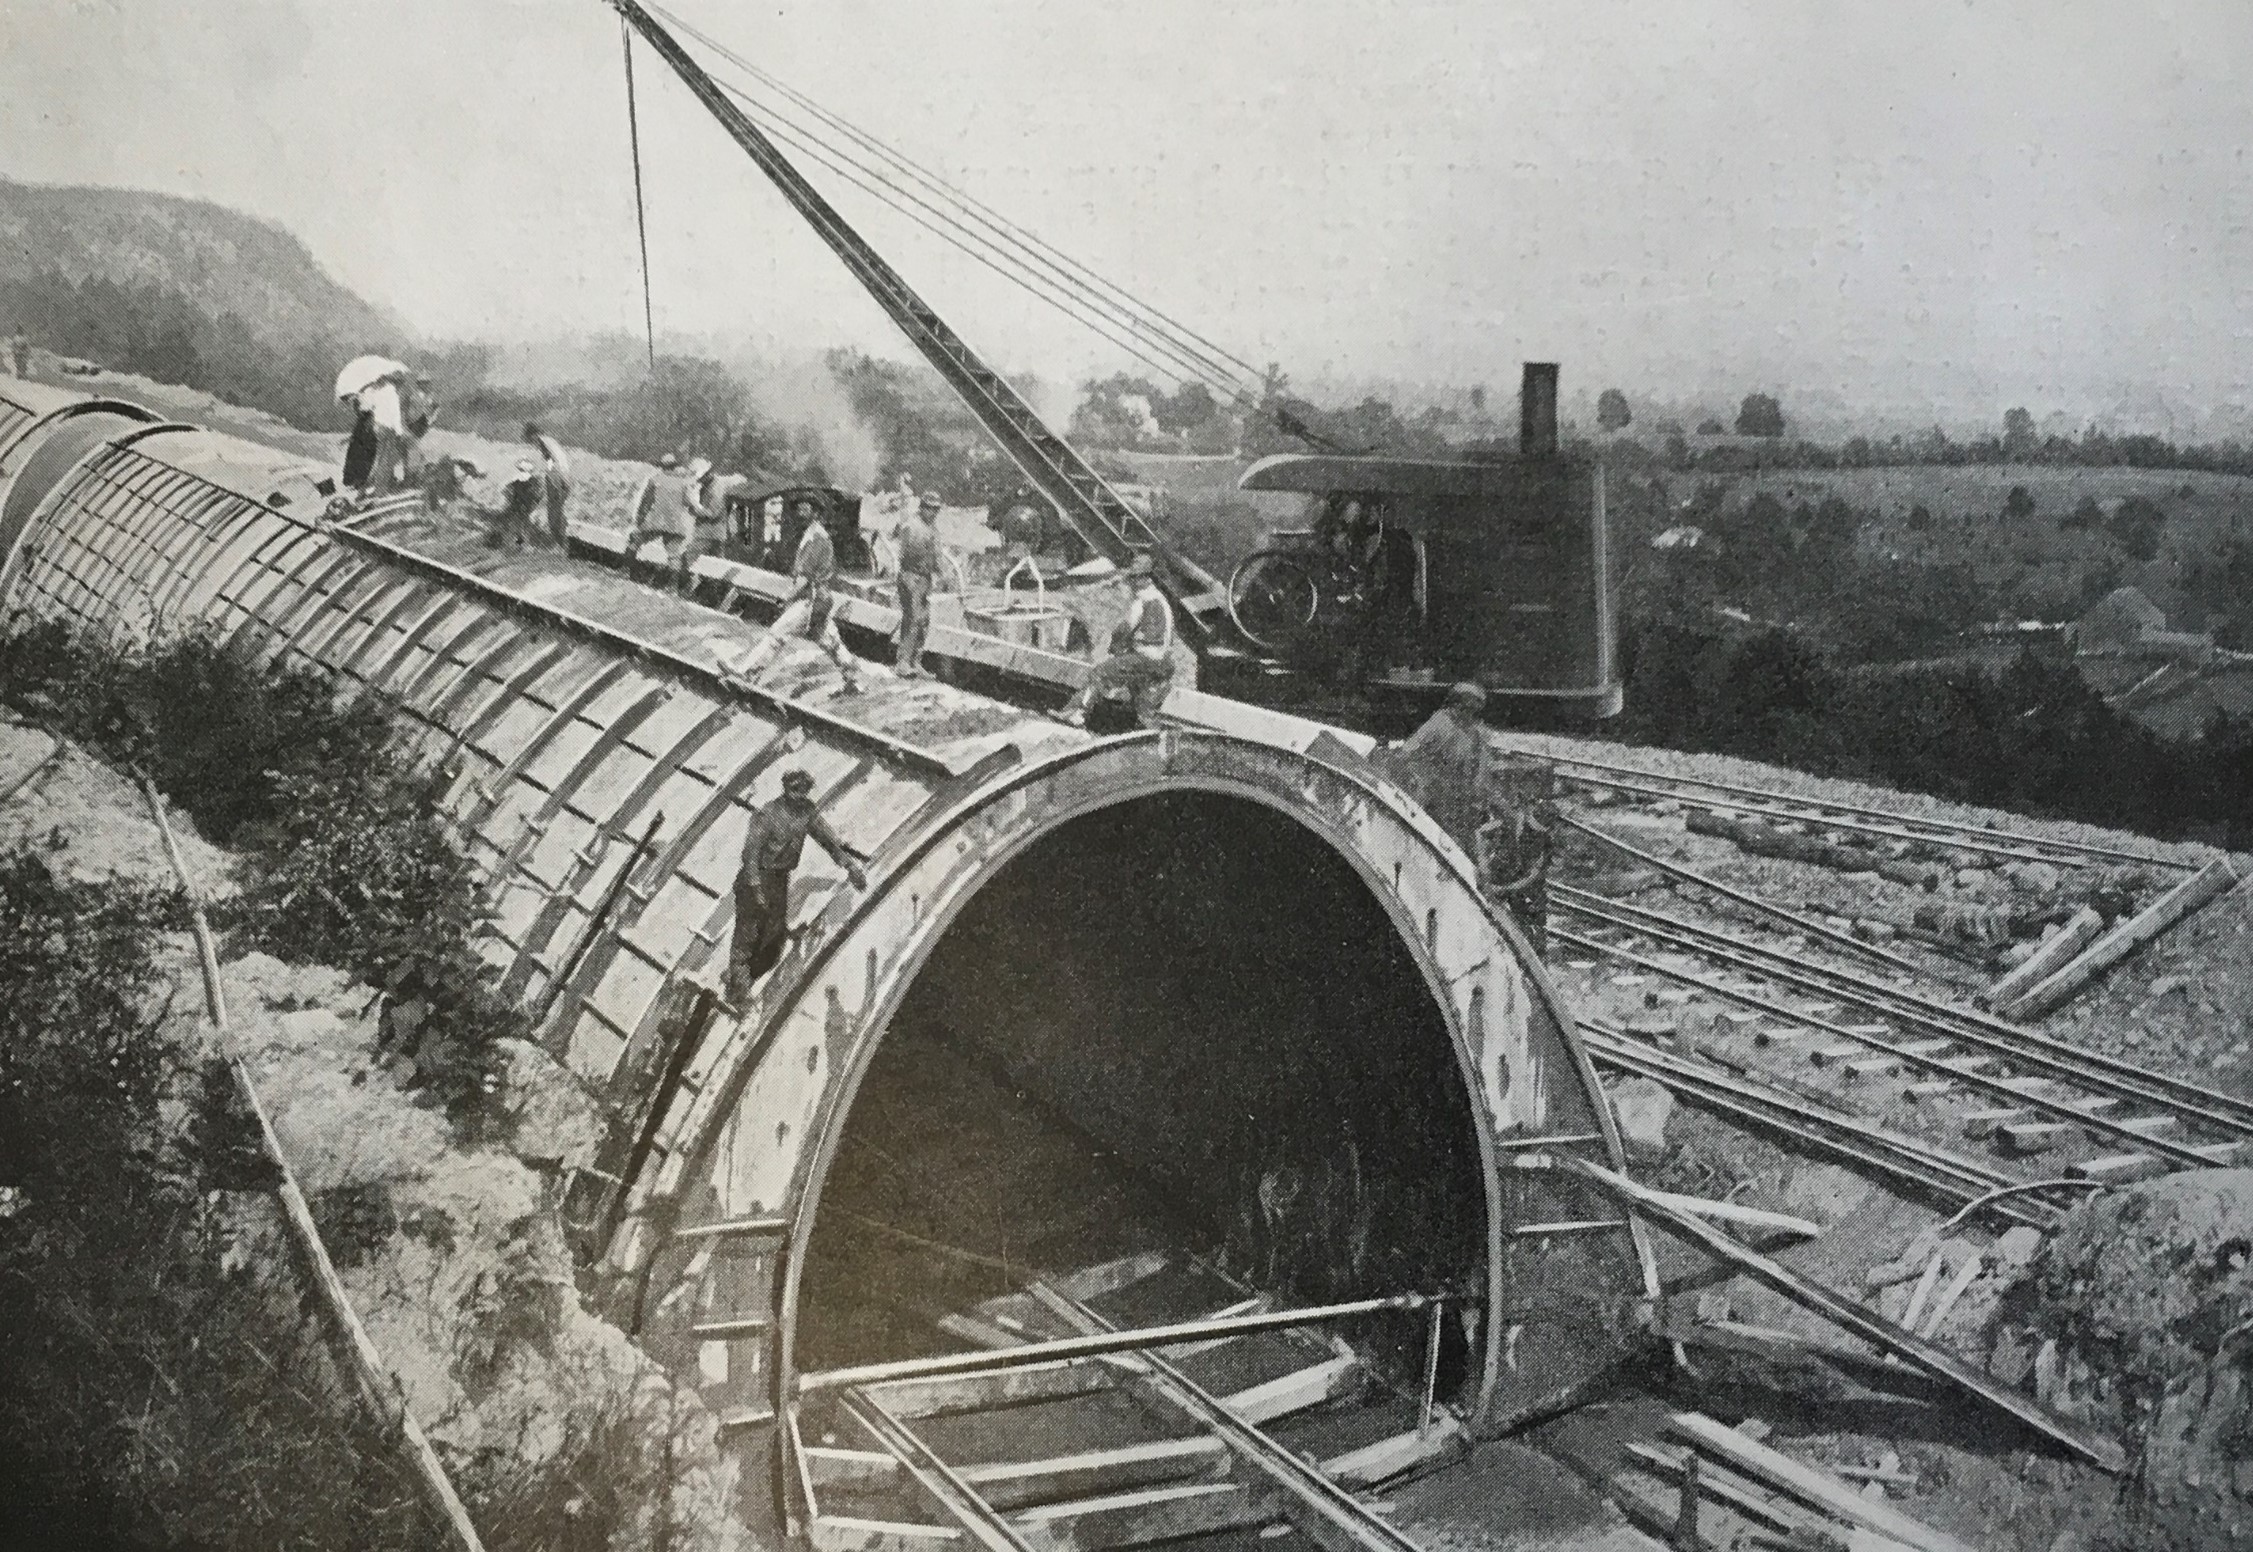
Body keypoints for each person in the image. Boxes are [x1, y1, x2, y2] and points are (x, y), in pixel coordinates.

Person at [724, 768, 868, 1007]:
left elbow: (828, 841)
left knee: (773, 938)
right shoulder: (767, 814)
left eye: (804, 790)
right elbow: (750, 855)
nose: (799, 795)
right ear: (785, 788)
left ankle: (743, 982)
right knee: (748, 936)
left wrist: (850, 866)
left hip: (779, 880)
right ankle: (738, 988)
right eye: (795, 790)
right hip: (755, 879)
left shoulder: (807, 812)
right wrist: (757, 890)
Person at [725, 501, 864, 693]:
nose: (799, 512)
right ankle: (853, 680)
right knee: (831, 642)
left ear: (815, 512)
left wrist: (786, 597)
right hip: (820, 600)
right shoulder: (813, 535)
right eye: (798, 508)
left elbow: (804, 578)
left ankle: (746, 673)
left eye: (804, 508)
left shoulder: (816, 539)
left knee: (777, 634)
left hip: (811, 600)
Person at [1057, 553, 1174, 727]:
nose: (1131, 583)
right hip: (1163, 662)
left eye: (1133, 578)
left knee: (1100, 673)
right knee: (1140, 696)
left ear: (1143, 578)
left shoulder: (1142, 601)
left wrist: (1114, 649)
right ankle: (1147, 727)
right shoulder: (1162, 601)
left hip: (1146, 658)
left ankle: (1076, 713)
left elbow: (1124, 630)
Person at [626, 453, 697, 593]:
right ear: (675, 466)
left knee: (634, 541)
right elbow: (690, 504)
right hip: (674, 525)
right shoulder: (683, 484)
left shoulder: (654, 480)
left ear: (662, 466)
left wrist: (640, 520)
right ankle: (673, 587)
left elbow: (645, 502)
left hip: (654, 522)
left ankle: (631, 573)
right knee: (674, 555)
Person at [894, 490, 942, 677]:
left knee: (923, 621)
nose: (933, 513)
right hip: (911, 576)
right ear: (922, 507)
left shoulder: (932, 528)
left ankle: (916, 661)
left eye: (936, 509)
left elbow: (937, 555)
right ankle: (903, 662)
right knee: (912, 619)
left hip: (925, 578)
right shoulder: (912, 526)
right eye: (929, 508)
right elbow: (906, 554)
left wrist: (940, 573)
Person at [525, 422, 571, 546]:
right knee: (557, 510)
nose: (531, 442)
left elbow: (550, 461)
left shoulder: (542, 442)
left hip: (557, 478)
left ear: (533, 435)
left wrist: (548, 476)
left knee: (554, 512)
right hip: (563, 478)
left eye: (530, 439)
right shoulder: (550, 441)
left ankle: (559, 542)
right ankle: (562, 540)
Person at [486, 459, 547, 549]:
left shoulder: (516, 480)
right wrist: (534, 503)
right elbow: (538, 495)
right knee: (523, 524)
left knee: (516, 524)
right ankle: (521, 543)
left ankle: (517, 542)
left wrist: (510, 500)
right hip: (525, 506)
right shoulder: (533, 481)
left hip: (516, 505)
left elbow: (506, 491)